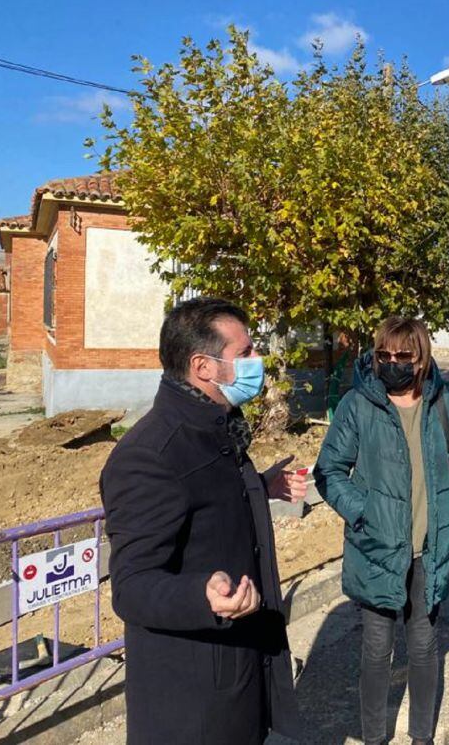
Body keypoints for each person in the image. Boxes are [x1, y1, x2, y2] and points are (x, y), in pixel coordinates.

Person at [100, 298, 305, 745]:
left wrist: (258, 487)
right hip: (192, 699)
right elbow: (132, 585)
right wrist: (201, 596)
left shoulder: (216, 428)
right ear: (203, 366)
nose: (258, 361)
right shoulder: (150, 455)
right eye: (245, 353)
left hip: (238, 667)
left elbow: (207, 498)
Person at [314, 317, 449, 745]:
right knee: (376, 649)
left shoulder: (447, 405)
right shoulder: (358, 405)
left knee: (425, 646)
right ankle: (375, 738)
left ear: (422, 358)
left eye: (402, 356)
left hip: (430, 547)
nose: (391, 364)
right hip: (375, 546)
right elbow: (330, 471)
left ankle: (422, 737)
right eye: (383, 355)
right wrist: (363, 512)